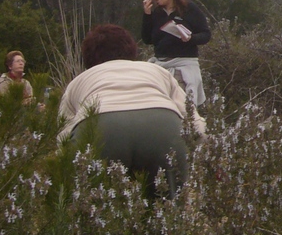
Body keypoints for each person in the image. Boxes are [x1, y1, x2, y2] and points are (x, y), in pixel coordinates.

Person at [59, 24, 205, 198]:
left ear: (88, 58)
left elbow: (63, 138)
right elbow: (195, 124)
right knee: (169, 208)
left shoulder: (78, 82)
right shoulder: (157, 71)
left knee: (94, 207)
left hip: (100, 129)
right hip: (163, 127)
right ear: (131, 51)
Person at [141, 0, 211, 107]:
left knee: (180, 106)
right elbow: (147, 39)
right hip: (161, 65)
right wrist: (147, 15)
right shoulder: (157, 14)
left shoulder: (188, 9)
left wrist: (190, 38)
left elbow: (206, 35)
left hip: (183, 65)